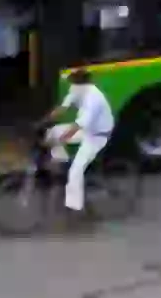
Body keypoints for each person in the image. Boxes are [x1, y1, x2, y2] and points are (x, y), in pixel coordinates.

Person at [40, 69, 116, 222]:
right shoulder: (77, 89)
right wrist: (44, 121)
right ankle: (62, 163)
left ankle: (74, 207)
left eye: (74, 83)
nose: (72, 86)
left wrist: (61, 139)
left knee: (75, 170)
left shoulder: (93, 98)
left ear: (83, 84)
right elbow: (63, 108)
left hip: (97, 136)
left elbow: (78, 125)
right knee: (53, 132)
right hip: (87, 130)